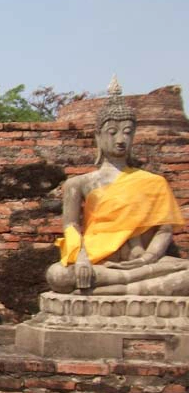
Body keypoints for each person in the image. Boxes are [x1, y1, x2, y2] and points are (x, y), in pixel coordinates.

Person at [46, 76, 188, 295]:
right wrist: (81, 259)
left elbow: (164, 230)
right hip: (97, 260)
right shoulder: (79, 183)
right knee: (58, 276)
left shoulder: (153, 182)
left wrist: (146, 260)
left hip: (142, 263)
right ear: (98, 136)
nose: (121, 139)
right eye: (113, 132)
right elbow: (71, 226)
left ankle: (118, 287)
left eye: (128, 132)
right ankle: (132, 287)